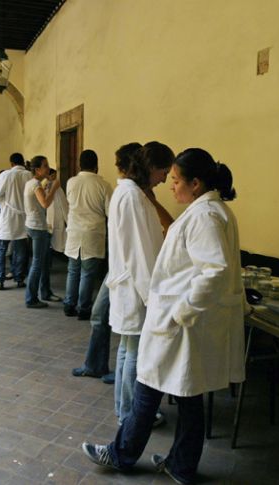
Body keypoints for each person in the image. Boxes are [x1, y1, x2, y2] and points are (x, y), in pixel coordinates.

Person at [81, 148, 247, 485]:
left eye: (175, 181)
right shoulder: (210, 210)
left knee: (148, 388)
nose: (171, 187)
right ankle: (181, 465)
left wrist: (181, 311)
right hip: (183, 323)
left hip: (181, 324)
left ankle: (121, 454)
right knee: (186, 397)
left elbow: (214, 271)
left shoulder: (204, 217)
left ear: (195, 183)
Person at [106, 141, 174, 428]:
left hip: (129, 284)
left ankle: (125, 409)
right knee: (133, 351)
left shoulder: (131, 193)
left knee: (127, 348)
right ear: (152, 168)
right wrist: (152, 297)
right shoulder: (132, 196)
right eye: (164, 171)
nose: (166, 178)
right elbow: (139, 253)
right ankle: (131, 414)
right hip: (135, 287)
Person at [71, 143, 142, 384]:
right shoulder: (110, 188)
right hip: (110, 255)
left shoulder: (132, 194)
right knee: (99, 311)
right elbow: (111, 215)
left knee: (79, 276)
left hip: (123, 264)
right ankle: (96, 364)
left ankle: (111, 370)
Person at [62, 149, 112, 321]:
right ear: (96, 165)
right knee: (87, 273)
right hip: (93, 233)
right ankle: (84, 308)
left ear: (79, 164)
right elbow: (109, 212)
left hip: (74, 231)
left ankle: (69, 305)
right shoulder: (103, 185)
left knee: (73, 270)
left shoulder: (71, 182)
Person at [23, 155, 62, 308]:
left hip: (34, 225)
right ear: (38, 170)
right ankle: (31, 298)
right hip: (38, 227)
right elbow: (45, 203)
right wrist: (54, 188)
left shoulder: (33, 183)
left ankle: (45, 292)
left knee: (44, 262)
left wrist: (48, 185)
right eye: (45, 166)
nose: (48, 168)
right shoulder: (35, 185)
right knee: (38, 263)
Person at [0, 153, 32, 290]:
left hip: (8, 217)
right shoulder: (29, 175)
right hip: (24, 217)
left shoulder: (6, 175)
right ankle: (19, 279)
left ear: (11, 163)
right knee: (21, 250)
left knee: (1, 249)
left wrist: (6, 202)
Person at [45, 168, 68, 262]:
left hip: (58, 215)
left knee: (59, 236)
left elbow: (63, 203)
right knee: (50, 236)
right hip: (50, 215)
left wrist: (66, 218)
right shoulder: (46, 187)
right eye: (52, 175)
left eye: (55, 175)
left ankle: (58, 254)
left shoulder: (58, 188)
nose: (54, 177)